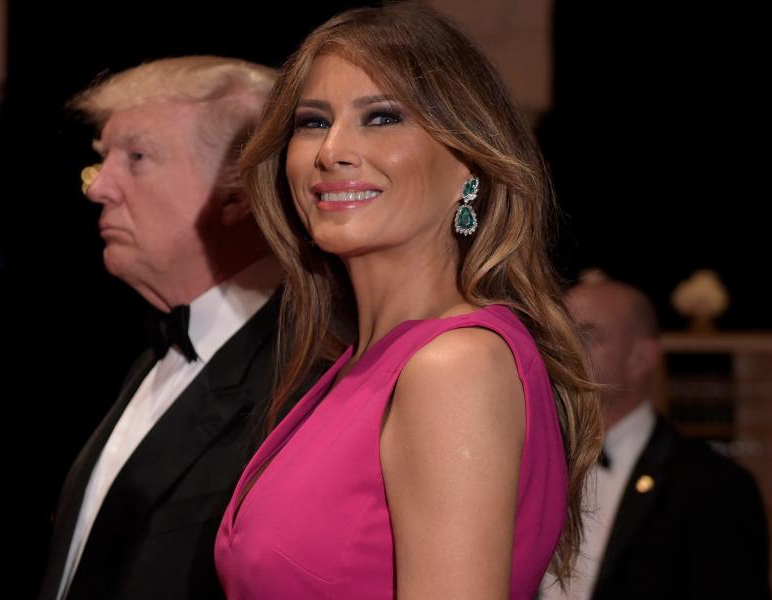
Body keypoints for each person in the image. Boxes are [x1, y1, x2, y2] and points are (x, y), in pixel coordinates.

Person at [213, 5, 603, 599]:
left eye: (383, 117)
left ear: (469, 163)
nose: (331, 152)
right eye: (313, 122)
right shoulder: (352, 367)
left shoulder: (454, 367)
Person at [36, 56, 283, 600]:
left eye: (138, 157)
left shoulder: (300, 376)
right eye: (102, 159)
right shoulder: (159, 351)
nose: (97, 187)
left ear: (239, 195)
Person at [540, 276, 770, 600]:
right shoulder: (531, 463)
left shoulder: (715, 486)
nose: (563, 350)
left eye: (586, 335)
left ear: (641, 359)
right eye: (558, 335)